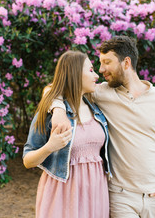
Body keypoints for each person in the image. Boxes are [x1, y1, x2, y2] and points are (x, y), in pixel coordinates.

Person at [50, 36, 155, 218]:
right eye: (100, 63)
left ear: (126, 62)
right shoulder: (101, 93)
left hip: (154, 195)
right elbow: (56, 88)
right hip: (120, 194)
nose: (101, 69)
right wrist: (58, 110)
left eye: (107, 62)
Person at [23, 50, 111, 218]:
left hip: (96, 191)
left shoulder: (96, 108)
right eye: (91, 70)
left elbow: (50, 89)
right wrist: (50, 147)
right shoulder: (49, 114)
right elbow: (28, 161)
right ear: (75, 73)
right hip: (63, 192)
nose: (97, 76)